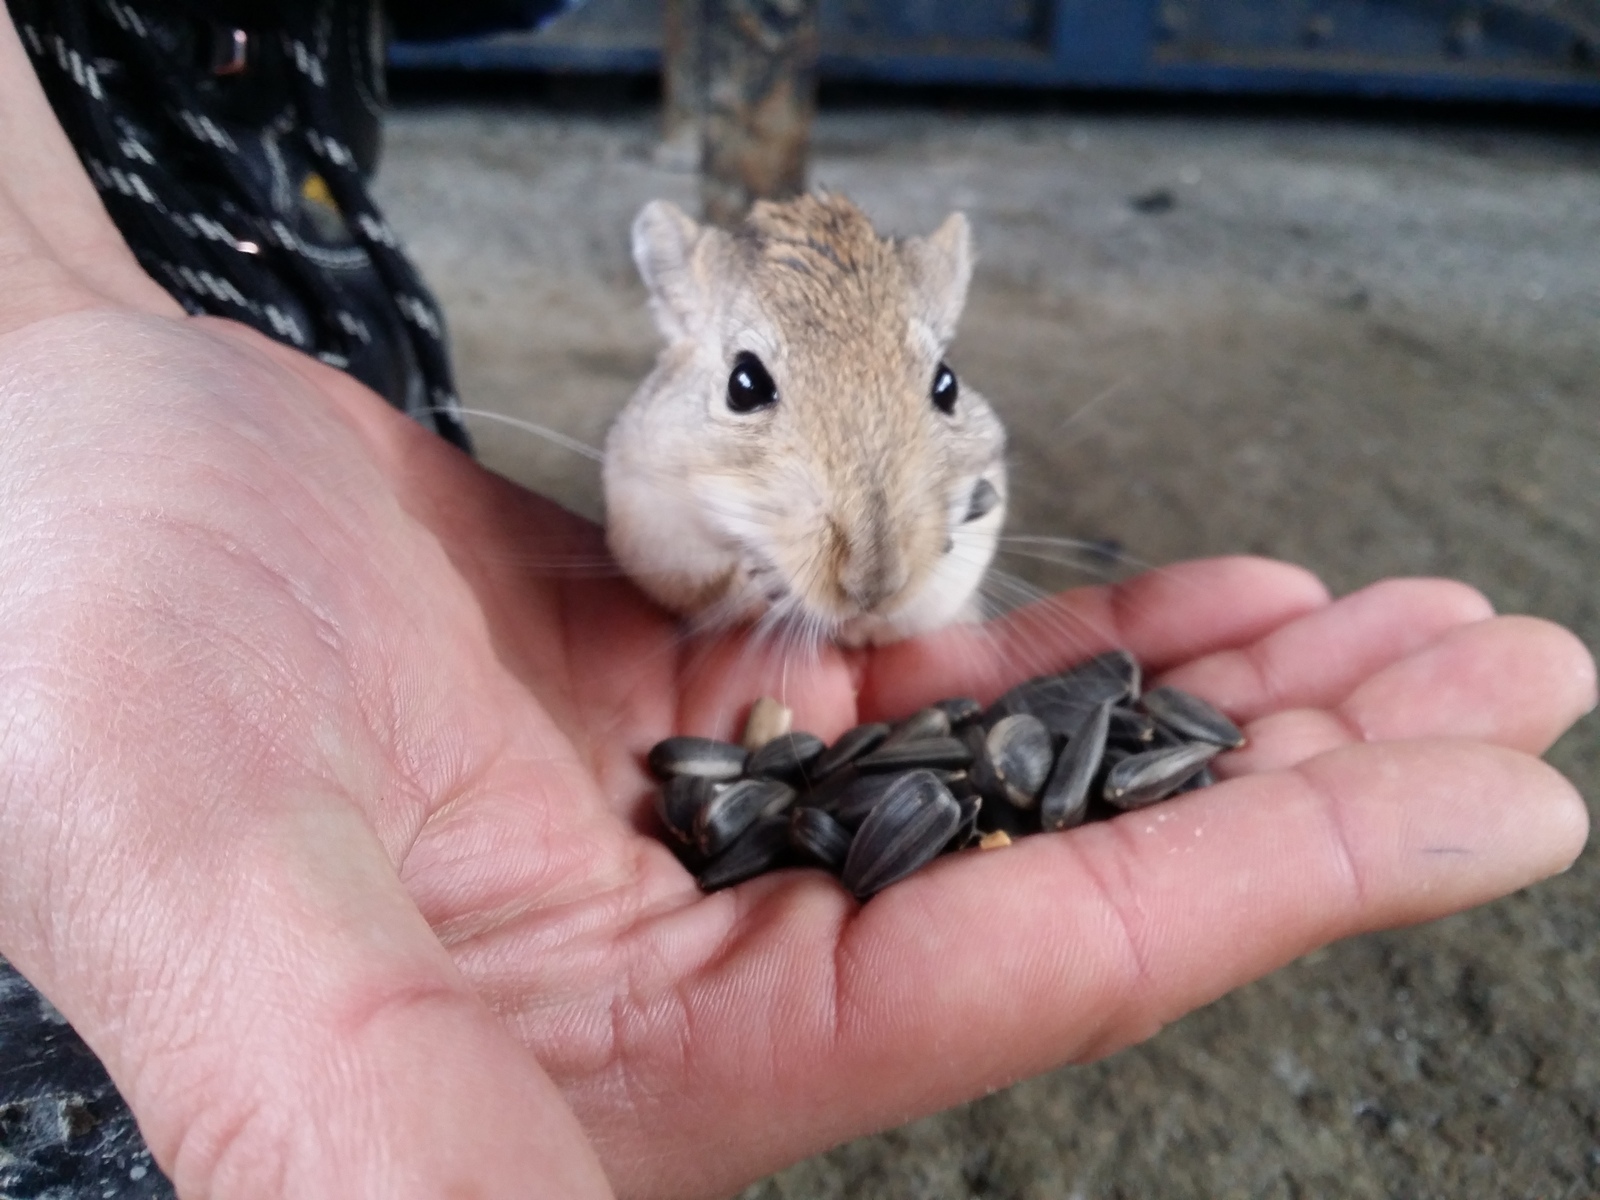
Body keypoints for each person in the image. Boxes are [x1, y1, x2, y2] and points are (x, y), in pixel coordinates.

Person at [0, 8, 1592, 1200]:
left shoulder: (938, 458)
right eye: (756, 393)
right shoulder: (668, 424)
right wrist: (46, 354)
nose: (873, 539)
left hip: (263, 138)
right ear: (690, 327)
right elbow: (672, 536)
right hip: (216, 308)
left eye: (935, 383)